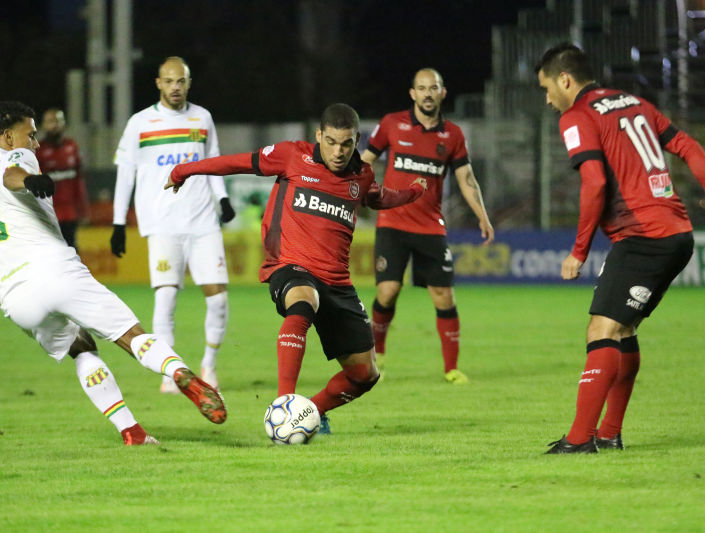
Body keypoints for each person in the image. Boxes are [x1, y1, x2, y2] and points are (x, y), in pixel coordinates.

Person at [0, 101, 226, 446]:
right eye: (31, 134)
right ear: (9, 137)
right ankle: (180, 373)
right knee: (129, 335)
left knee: (81, 348)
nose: (36, 143)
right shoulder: (18, 158)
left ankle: (132, 432)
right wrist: (30, 180)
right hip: (55, 271)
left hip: (14, 297)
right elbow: (11, 176)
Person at [165, 103, 427, 433]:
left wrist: (416, 191)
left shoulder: (361, 174)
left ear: (356, 140)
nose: (338, 151)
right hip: (290, 266)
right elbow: (238, 162)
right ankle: (283, 404)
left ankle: (308, 412)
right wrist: (185, 170)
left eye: (346, 144)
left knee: (365, 375)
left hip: (338, 283)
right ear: (319, 135)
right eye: (331, 141)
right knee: (303, 302)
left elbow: (379, 197)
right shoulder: (291, 156)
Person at [535, 44, 705, 453]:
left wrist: (579, 250)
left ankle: (580, 439)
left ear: (565, 80)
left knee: (600, 330)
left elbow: (595, 183)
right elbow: (688, 146)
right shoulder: (633, 103)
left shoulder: (576, 115)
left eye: (547, 88)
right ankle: (609, 433)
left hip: (643, 236)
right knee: (623, 329)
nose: (547, 99)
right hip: (677, 233)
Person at [361, 68, 494, 384]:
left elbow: (466, 177)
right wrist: (360, 191)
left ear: (442, 93)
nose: (427, 94)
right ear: (412, 94)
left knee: (443, 296)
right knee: (388, 291)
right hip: (392, 222)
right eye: (421, 88)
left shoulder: (453, 135)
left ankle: (451, 369)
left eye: (433, 88)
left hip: (430, 226)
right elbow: (365, 160)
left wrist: (482, 215)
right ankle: (377, 351)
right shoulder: (392, 124)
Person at [111, 56, 235, 394]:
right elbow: (126, 174)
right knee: (166, 298)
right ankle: (172, 373)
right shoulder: (140, 122)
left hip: (202, 222)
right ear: (158, 83)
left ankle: (209, 367)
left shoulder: (202, 118)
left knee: (219, 300)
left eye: (181, 81)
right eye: (169, 81)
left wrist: (222, 199)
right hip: (162, 225)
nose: (175, 87)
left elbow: (214, 163)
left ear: (189, 83)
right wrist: (118, 222)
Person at [36, 108, 90, 250]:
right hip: (48, 215)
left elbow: (79, 180)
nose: (54, 125)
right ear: (43, 125)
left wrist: (83, 208)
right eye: (50, 121)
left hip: (70, 213)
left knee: (71, 252)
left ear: (64, 123)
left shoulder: (72, 147)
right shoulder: (39, 151)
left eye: (58, 121)